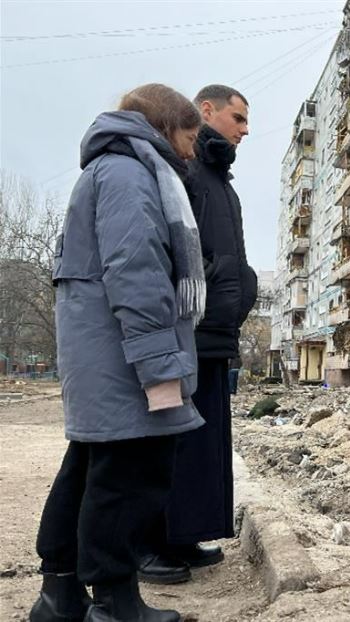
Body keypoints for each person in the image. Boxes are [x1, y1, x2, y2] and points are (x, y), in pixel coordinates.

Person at [29, 83, 205, 622]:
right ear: (165, 126)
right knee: (131, 478)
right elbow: (138, 276)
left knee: (88, 470)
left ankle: (59, 597)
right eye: (190, 136)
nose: (192, 151)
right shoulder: (131, 173)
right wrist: (160, 369)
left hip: (103, 357)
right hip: (126, 360)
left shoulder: (106, 169)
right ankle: (115, 604)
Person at [140, 85, 257, 584]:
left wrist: (243, 288)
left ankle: (183, 534)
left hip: (215, 332)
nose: (245, 129)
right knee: (172, 441)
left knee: (203, 442)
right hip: (188, 328)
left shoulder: (220, 180)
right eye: (238, 117)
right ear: (206, 111)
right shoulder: (184, 168)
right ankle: (150, 544)